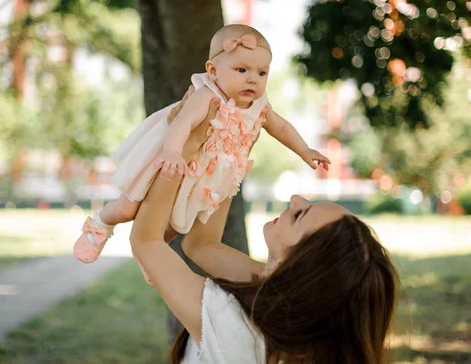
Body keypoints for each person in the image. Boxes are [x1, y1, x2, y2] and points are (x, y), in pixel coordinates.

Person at [129, 99, 400, 364]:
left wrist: (183, 147)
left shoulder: (235, 324)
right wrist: (232, 149)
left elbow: (146, 240)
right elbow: (201, 246)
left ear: (299, 267)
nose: (295, 199)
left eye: (299, 215)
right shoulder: (284, 306)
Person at [74, 24, 330, 263]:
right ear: (213, 70)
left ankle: (153, 257)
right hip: (171, 158)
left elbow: (281, 127)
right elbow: (181, 123)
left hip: (203, 175)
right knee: (130, 207)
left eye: (261, 73)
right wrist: (172, 152)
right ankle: (100, 224)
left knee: (178, 221)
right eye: (242, 70)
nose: (252, 79)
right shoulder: (207, 95)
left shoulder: (260, 106)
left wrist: (304, 150)